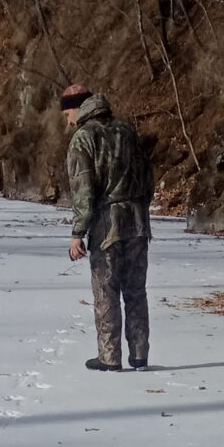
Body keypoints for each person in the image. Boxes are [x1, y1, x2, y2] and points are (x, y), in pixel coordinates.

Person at [62, 84, 154, 371]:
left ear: (77, 109)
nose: (68, 121)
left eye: (66, 114)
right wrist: (140, 207)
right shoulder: (126, 130)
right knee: (136, 290)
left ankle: (109, 357)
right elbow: (148, 177)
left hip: (107, 224)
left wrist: (78, 233)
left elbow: (83, 189)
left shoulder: (83, 138)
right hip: (137, 220)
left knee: (106, 289)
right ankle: (139, 355)